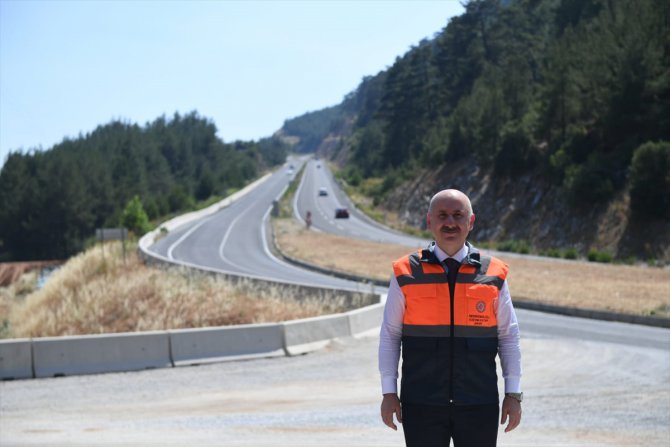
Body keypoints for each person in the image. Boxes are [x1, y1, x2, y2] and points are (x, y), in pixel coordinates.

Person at [379, 189, 522, 447]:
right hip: (422, 403)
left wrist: (513, 393)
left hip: (479, 402)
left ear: (471, 222)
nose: (450, 223)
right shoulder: (405, 272)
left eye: (458, 215)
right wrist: (389, 392)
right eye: (442, 215)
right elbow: (390, 335)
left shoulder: (494, 273)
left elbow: (508, 337)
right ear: (429, 221)